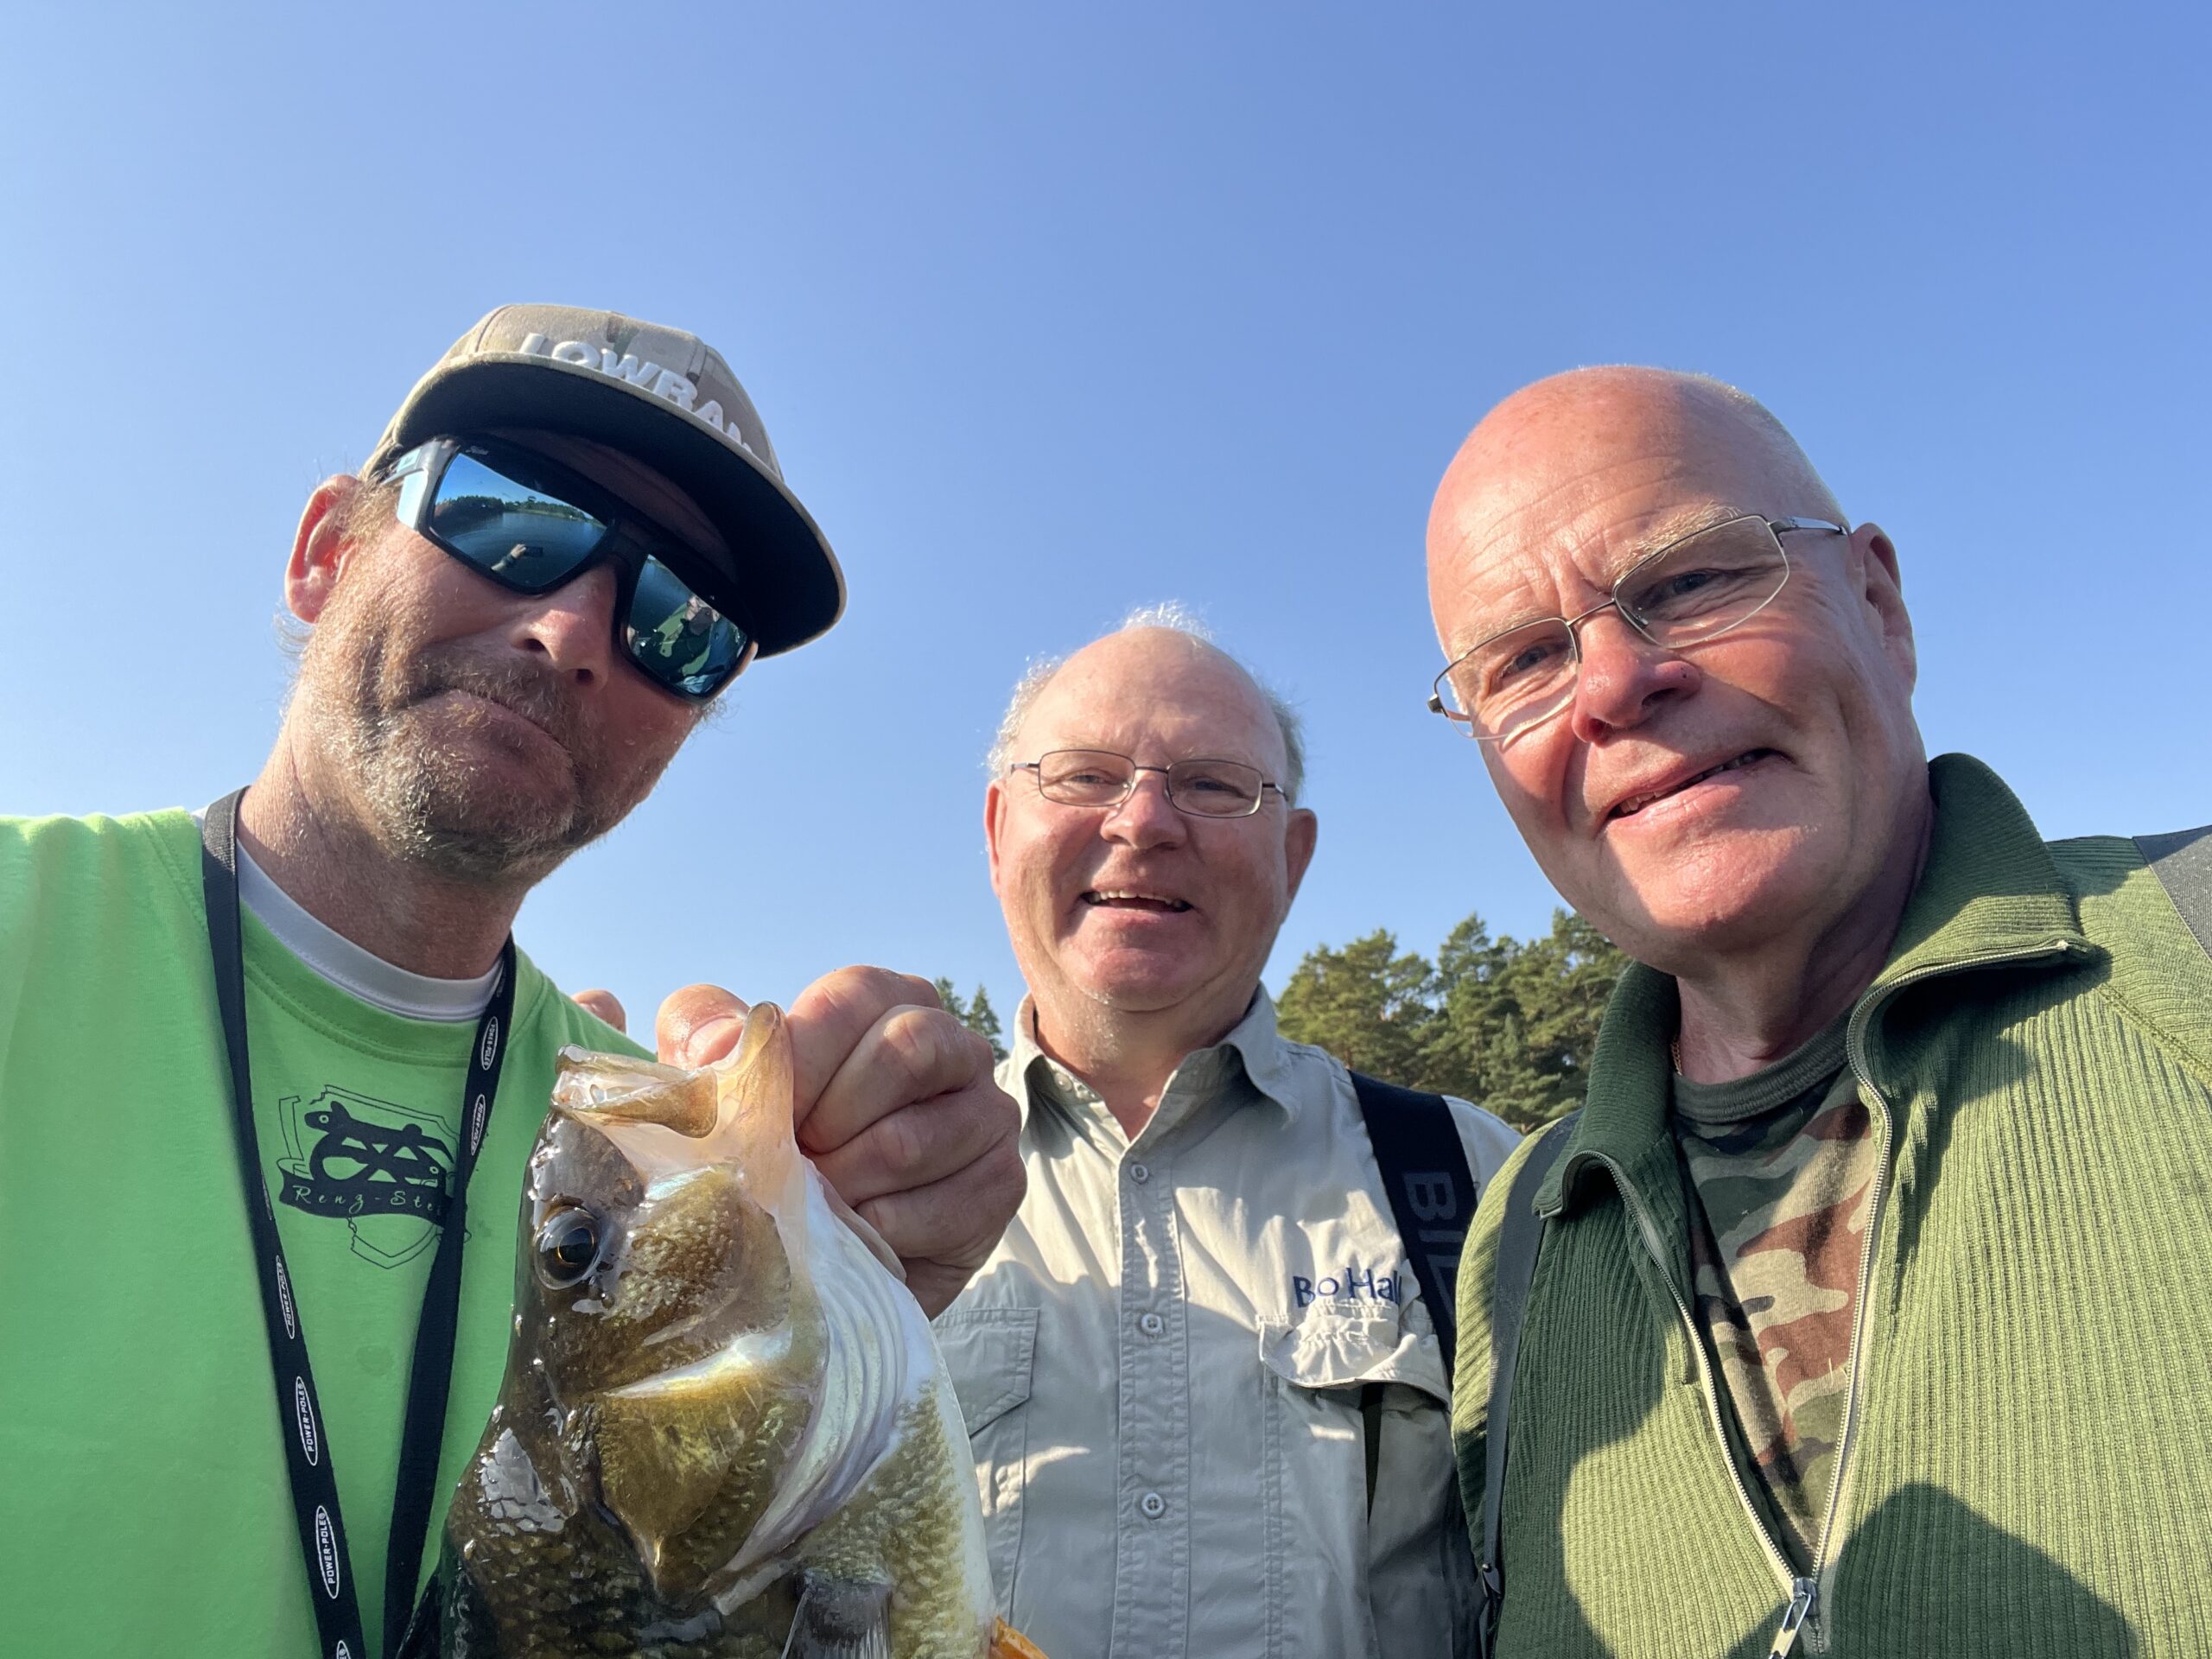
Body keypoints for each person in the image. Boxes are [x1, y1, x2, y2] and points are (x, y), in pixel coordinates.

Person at [0, 305, 1024, 1658]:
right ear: (325, 554)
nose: (575, 629)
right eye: (511, 518)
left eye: (679, 619)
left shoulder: (654, 1148)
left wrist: (867, 1268)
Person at [1423, 366, 2212, 1657]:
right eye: (1523, 660)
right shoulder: (1520, 1236)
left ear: (1881, 604)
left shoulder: (2193, 939)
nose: (1615, 684)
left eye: (1687, 581)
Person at [938, 610, 1522, 1659]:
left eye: (1213, 785)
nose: (1145, 821)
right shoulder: (864, 1195)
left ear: (1293, 858)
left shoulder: (1478, 1180)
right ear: (995, 832)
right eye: (1082, 775)